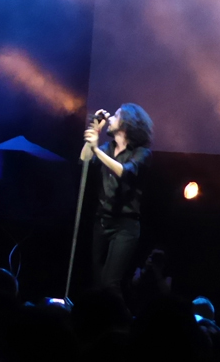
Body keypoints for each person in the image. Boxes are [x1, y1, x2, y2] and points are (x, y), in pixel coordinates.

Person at [83, 104, 153, 297]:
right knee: (97, 282)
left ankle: (124, 316)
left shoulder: (142, 153)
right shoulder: (107, 148)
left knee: (110, 283)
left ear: (127, 123)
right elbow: (85, 159)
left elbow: (124, 172)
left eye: (116, 115)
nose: (111, 118)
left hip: (125, 225)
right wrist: (94, 132)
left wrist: (96, 150)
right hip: (102, 221)